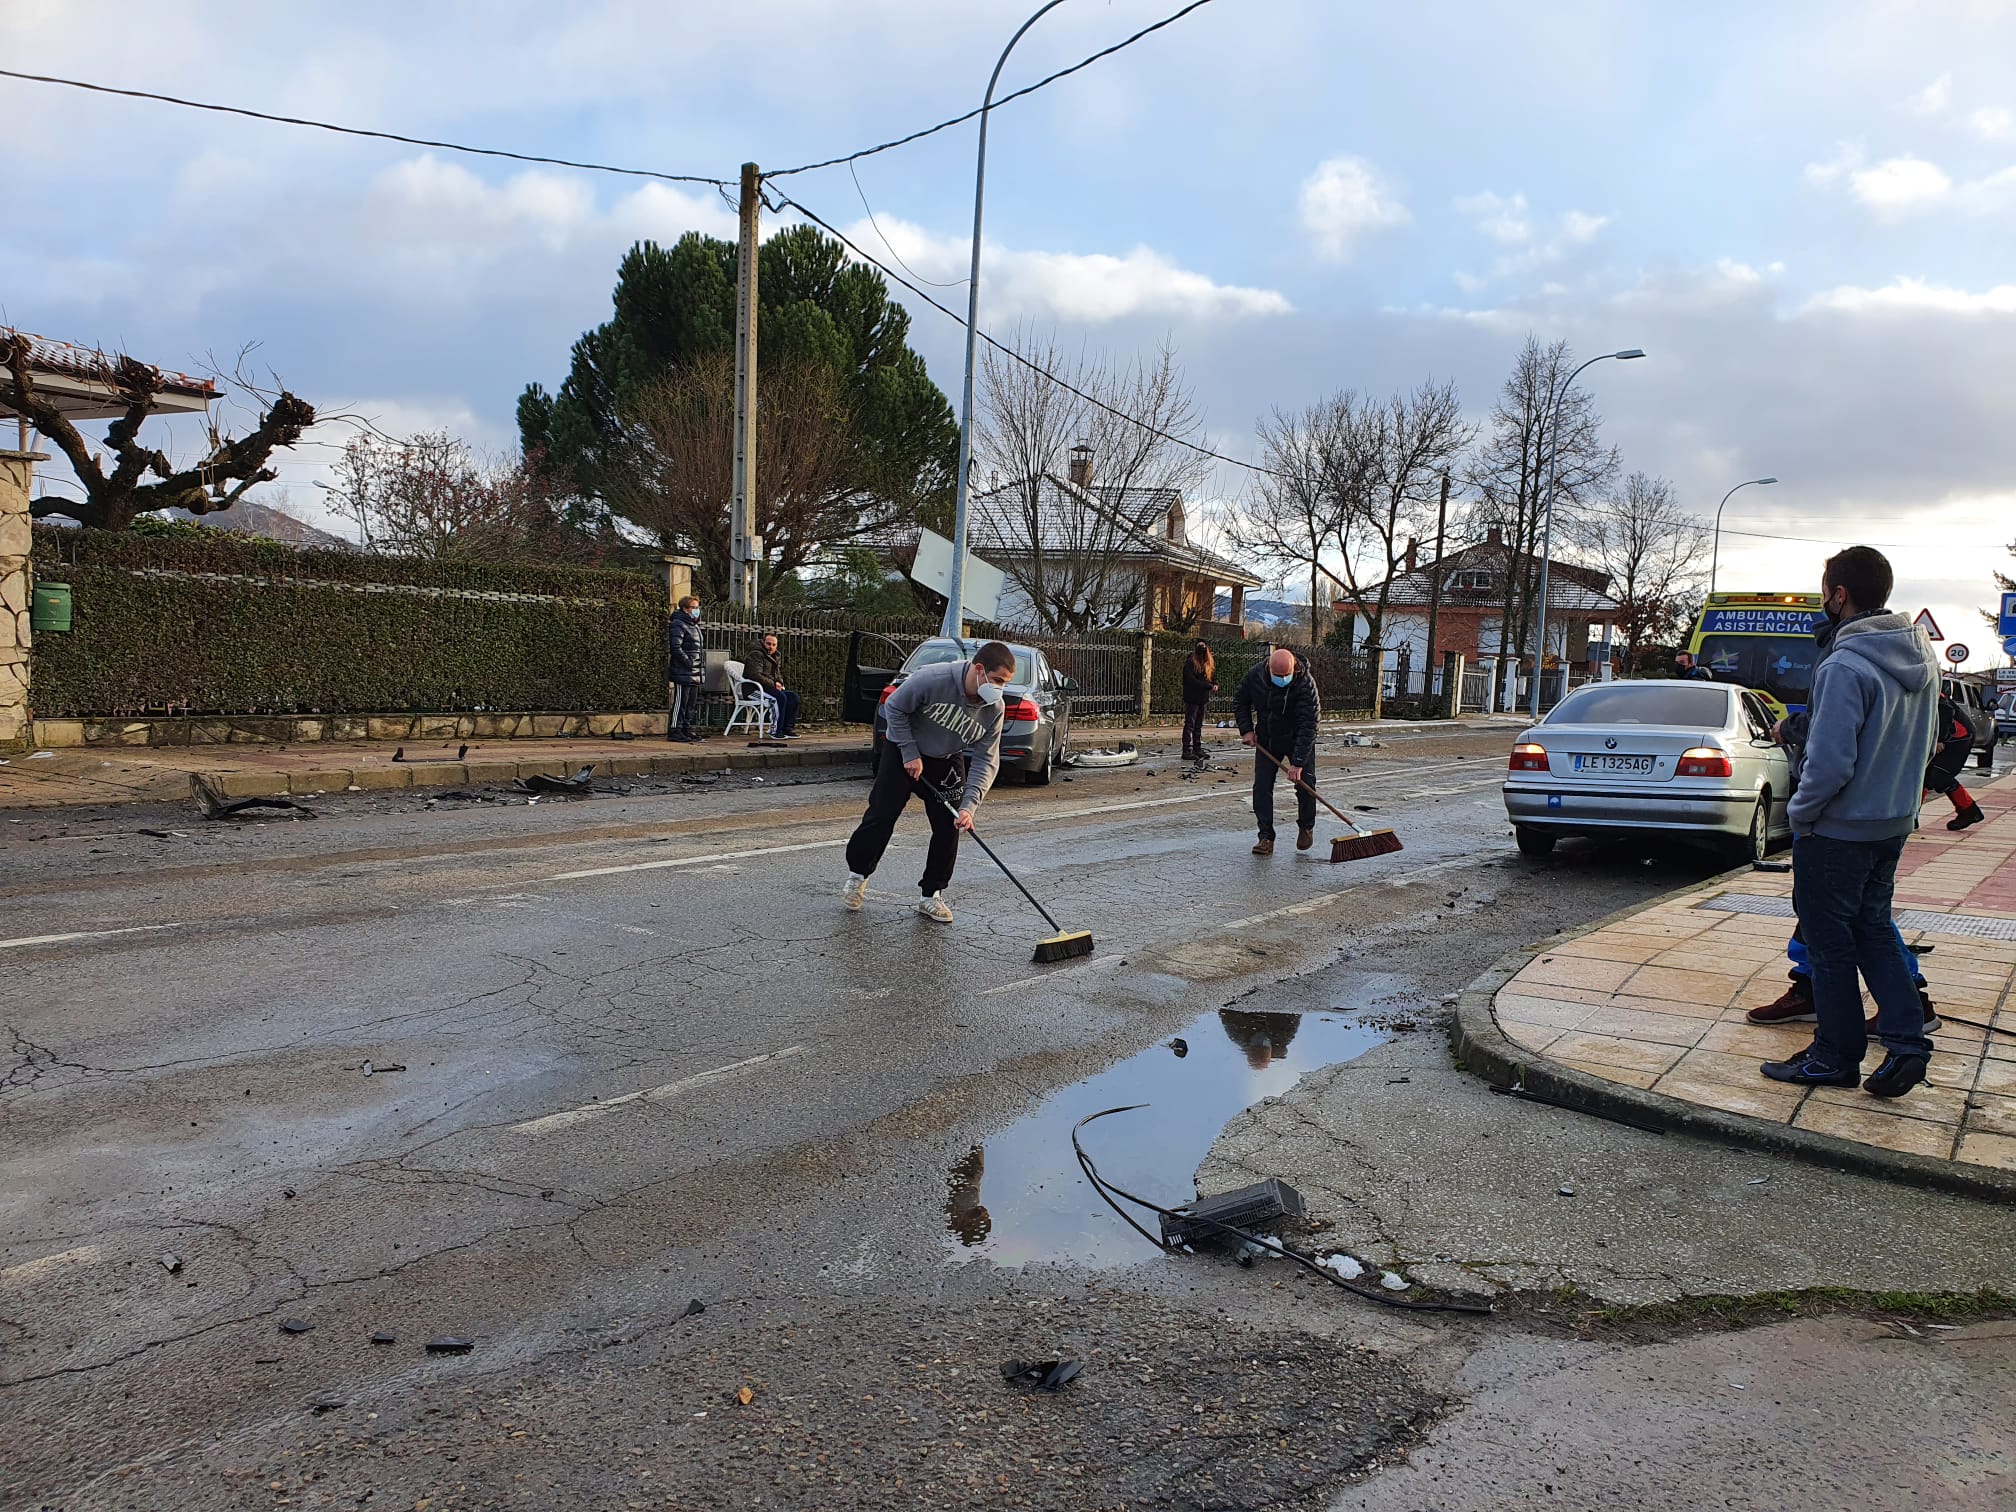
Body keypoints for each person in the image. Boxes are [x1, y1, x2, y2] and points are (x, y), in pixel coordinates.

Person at [1760, 546, 1939, 1099]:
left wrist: (1800, 814)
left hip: (1837, 831)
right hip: (1890, 824)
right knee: (1876, 930)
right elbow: (1928, 743)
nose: (1822, 598)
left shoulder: (1844, 664)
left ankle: (1833, 1058)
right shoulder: (1922, 657)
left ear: (1840, 594)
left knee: (1830, 946)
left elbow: (1830, 761)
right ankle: (1908, 1047)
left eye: (1825, 589)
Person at [841, 641, 1014, 923]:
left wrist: (969, 807)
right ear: (979, 670)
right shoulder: (932, 678)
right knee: (882, 815)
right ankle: (858, 874)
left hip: (946, 758)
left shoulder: (994, 708)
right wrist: (909, 753)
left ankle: (931, 895)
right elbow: (894, 707)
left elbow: (986, 759)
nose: (999, 689)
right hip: (902, 751)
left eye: (1005, 684)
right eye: (997, 681)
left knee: (950, 825)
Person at [1235, 646, 1320, 856]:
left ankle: (1306, 827)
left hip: (1297, 738)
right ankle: (1265, 837)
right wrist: (1246, 730)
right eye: (1278, 675)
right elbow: (1240, 701)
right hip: (1268, 739)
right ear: (1269, 669)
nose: (1282, 679)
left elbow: (1309, 724)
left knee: (1306, 785)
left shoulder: (1305, 685)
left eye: (1286, 676)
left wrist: (1298, 762)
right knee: (1262, 787)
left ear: (1293, 670)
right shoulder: (1256, 676)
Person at [1925, 690, 1984, 830]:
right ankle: (1912, 816)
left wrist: (1940, 739)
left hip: (1959, 737)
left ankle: (1969, 811)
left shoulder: (1928, 690)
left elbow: (1945, 710)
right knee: (1925, 775)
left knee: (1938, 775)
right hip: (1950, 737)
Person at [744, 632, 800, 740]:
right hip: (752, 689)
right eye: (768, 644)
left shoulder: (776, 656)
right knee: (778, 698)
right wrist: (774, 684)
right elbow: (754, 675)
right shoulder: (756, 654)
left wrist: (780, 683)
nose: (771, 647)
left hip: (768, 688)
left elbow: (777, 674)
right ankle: (775, 731)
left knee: (793, 697)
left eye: (774, 645)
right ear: (763, 643)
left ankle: (786, 729)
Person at [667, 595, 704, 742]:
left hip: (694, 670)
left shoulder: (694, 625)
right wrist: (688, 662)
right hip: (684, 669)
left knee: (690, 703)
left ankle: (686, 728)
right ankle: (675, 730)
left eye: (697, 608)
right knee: (681, 701)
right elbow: (676, 647)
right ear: (685, 609)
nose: (696, 610)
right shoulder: (679, 623)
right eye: (693, 608)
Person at [1180, 640, 1217, 762]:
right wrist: (1208, 686)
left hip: (1203, 698)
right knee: (1190, 724)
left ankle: (1197, 748)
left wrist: (1214, 684)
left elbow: (1212, 676)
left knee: (1198, 725)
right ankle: (1186, 750)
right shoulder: (1190, 663)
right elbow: (1192, 681)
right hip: (1192, 698)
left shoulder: (1208, 663)